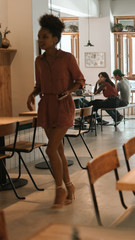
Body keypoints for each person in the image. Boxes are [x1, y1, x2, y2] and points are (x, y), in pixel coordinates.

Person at [26, 14, 85, 209]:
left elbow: (80, 81)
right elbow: (39, 85)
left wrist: (69, 90)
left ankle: (59, 189)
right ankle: (69, 186)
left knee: (51, 149)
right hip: (46, 107)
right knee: (57, 149)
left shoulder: (67, 58)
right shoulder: (39, 61)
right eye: (39, 37)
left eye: (44, 37)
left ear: (55, 39)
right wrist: (31, 95)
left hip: (64, 106)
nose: (40, 40)